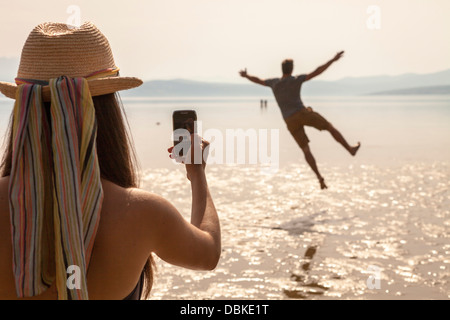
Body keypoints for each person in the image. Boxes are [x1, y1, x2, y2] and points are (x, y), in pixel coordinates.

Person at [0, 22, 220, 300]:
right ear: (106, 111)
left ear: (23, 107)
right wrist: (196, 174)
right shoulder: (142, 212)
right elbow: (208, 252)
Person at [239, 51, 360, 189]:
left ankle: (320, 178)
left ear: (282, 69)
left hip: (289, 120)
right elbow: (317, 72)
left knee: (306, 150)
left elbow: (258, 80)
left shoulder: (274, 83)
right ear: (292, 69)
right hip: (302, 113)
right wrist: (332, 60)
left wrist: (246, 75)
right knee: (329, 127)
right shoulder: (296, 80)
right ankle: (350, 149)